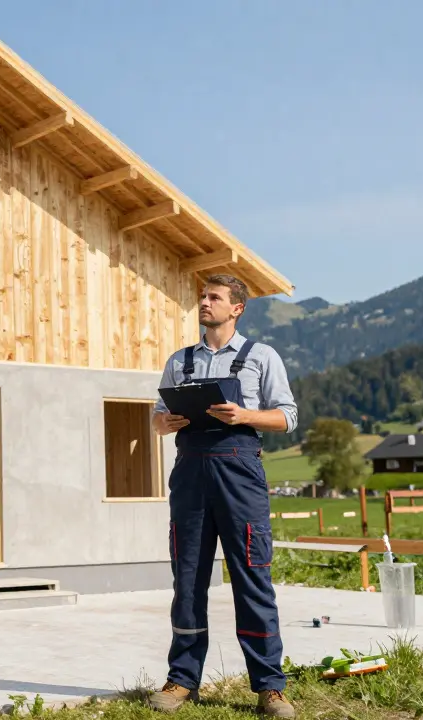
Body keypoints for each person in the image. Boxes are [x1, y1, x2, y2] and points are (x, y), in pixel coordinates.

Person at [146, 274, 299, 718]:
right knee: (188, 577)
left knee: (252, 574)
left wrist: (244, 415)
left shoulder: (260, 357)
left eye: (214, 297)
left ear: (237, 308)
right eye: (203, 296)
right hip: (190, 472)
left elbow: (287, 417)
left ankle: (270, 686)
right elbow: (157, 418)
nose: (204, 302)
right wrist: (165, 424)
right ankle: (181, 680)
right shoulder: (180, 361)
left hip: (240, 472)